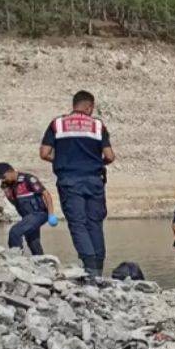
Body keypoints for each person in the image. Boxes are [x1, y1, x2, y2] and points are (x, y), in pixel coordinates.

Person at [40, 90, 114, 277]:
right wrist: (95, 163)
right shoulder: (98, 125)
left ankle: (90, 269)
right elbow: (110, 156)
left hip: (69, 181)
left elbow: (44, 153)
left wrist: (62, 161)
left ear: (75, 105)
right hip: (94, 180)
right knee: (95, 223)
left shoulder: (57, 124)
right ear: (89, 107)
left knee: (78, 224)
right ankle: (98, 270)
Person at [0, 162, 55, 256]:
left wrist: (51, 215)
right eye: (1, 178)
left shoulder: (28, 179)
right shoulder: (7, 185)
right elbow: (15, 202)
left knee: (15, 232)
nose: (3, 180)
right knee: (32, 241)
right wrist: (7, 192)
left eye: (4, 177)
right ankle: (43, 262)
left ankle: (16, 259)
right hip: (27, 217)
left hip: (39, 213)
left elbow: (46, 195)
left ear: (10, 171)